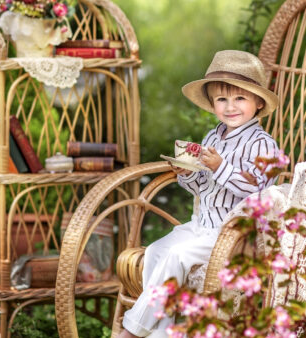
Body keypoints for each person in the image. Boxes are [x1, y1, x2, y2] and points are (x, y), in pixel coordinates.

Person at [119, 50, 280, 338]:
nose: (230, 107)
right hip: (201, 225)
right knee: (157, 250)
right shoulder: (212, 137)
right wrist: (190, 174)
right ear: (212, 104)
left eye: (240, 98)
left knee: (177, 256)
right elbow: (204, 188)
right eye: (222, 99)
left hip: (232, 235)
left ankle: (132, 329)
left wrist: (221, 167)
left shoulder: (262, 143)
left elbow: (257, 189)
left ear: (258, 102)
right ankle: (163, 329)